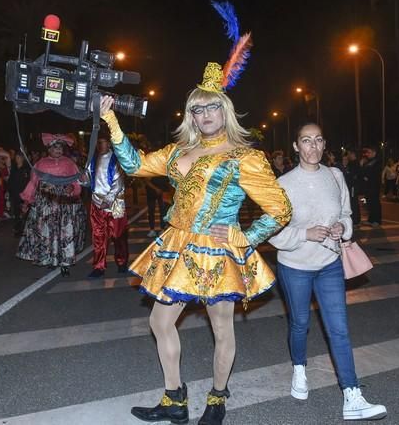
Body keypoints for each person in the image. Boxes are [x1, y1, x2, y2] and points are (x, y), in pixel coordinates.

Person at [99, 58, 292, 424]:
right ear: (190, 115)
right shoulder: (177, 153)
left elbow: (280, 208)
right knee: (159, 322)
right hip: (177, 246)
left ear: (226, 111)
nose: (205, 114)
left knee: (222, 327)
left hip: (217, 251)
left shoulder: (244, 157)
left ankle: (217, 399)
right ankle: (175, 399)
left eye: (212, 106)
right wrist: (111, 120)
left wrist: (245, 236)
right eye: (197, 108)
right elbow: (135, 165)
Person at [269, 122, 387, 421]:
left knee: (339, 329)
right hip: (295, 266)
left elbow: (347, 215)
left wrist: (342, 228)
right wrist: (303, 234)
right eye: (306, 141)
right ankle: (299, 369)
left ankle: (352, 394)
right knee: (300, 323)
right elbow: (271, 232)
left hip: (330, 264)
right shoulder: (283, 184)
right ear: (296, 146)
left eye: (318, 140)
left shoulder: (335, 176)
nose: (313, 146)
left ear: (325, 144)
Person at [16, 134, 86, 276]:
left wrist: (72, 188)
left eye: (60, 148)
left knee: (65, 233)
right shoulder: (40, 164)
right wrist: (26, 201)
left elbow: (77, 180)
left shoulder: (69, 163)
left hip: (63, 203)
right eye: (55, 147)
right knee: (46, 233)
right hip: (45, 203)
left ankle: (65, 263)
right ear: (49, 149)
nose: (58, 150)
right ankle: (49, 258)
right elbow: (33, 183)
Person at [86, 136, 129, 278]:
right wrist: (81, 180)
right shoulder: (92, 160)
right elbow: (87, 179)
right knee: (98, 236)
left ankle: (122, 262)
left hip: (114, 205)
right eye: (97, 142)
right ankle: (98, 266)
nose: (98, 145)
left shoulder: (116, 160)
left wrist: (108, 200)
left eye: (101, 142)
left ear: (109, 143)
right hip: (97, 204)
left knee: (118, 236)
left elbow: (118, 183)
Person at [8, 152, 31, 237]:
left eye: (19, 157)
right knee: (16, 212)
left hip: (23, 194)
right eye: (16, 157)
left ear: (22, 158)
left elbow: (29, 182)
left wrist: (27, 194)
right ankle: (18, 229)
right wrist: (9, 190)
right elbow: (10, 180)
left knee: (24, 212)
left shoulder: (26, 169)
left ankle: (23, 229)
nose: (17, 159)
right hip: (15, 193)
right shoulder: (14, 168)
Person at [360, 146, 382, 226]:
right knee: (369, 203)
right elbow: (364, 172)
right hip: (368, 186)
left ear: (374, 153)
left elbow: (372, 173)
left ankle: (377, 220)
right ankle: (371, 219)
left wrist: (366, 175)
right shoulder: (368, 162)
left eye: (369, 152)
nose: (367, 154)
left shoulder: (377, 162)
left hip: (374, 186)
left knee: (375, 203)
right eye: (367, 152)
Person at [343, 151, 361, 226]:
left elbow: (353, 175)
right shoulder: (353, 163)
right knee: (352, 202)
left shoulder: (355, 163)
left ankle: (355, 220)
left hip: (353, 186)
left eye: (350, 154)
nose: (348, 156)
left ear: (353, 154)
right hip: (352, 186)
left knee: (353, 203)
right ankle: (355, 219)